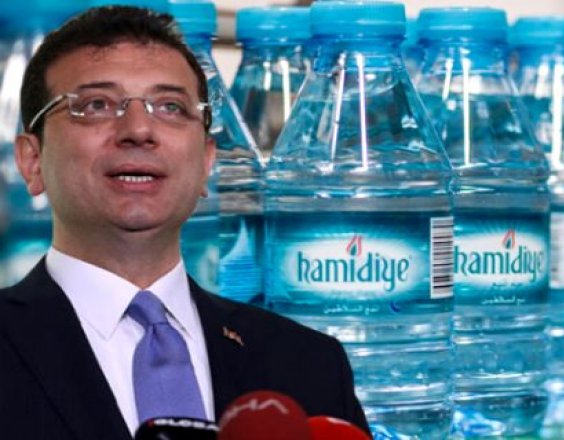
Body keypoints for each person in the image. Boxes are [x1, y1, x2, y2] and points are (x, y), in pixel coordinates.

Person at [0, 6, 368, 438]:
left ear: (207, 163)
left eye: (171, 107)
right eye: (96, 104)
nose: (139, 129)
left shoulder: (307, 363)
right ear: (32, 160)